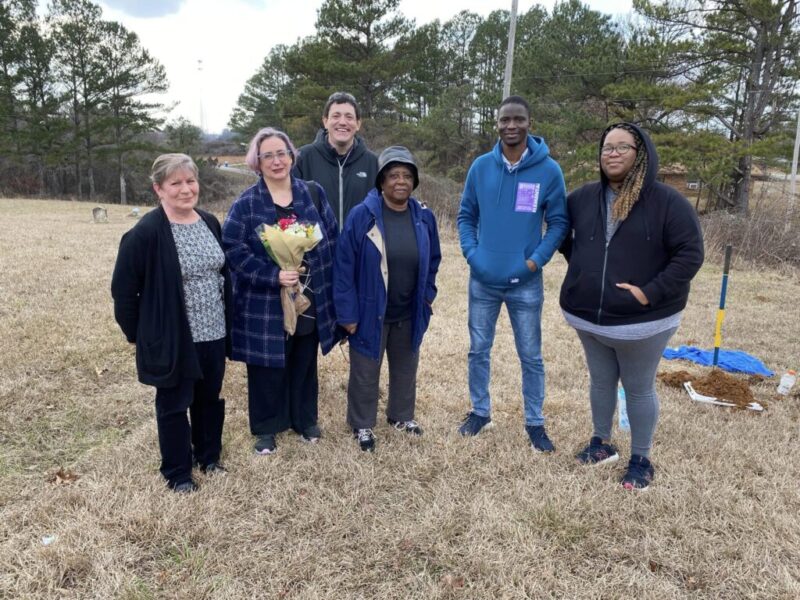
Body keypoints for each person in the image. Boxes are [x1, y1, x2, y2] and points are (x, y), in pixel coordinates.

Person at [560, 122, 704, 490]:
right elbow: (563, 239)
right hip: (589, 318)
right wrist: (583, 274)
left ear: (640, 155)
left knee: (638, 389)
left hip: (643, 322)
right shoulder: (582, 198)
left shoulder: (668, 202)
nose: (613, 153)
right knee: (600, 382)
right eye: (607, 147)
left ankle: (640, 458)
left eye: (623, 147)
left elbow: (690, 255)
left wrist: (649, 292)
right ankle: (601, 443)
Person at [111, 153, 231, 493]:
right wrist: (139, 334)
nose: (185, 189)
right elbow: (123, 291)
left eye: (190, 181)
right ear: (158, 189)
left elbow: (222, 274)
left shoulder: (209, 222)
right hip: (173, 336)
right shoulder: (146, 232)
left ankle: (208, 457)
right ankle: (178, 473)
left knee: (209, 398)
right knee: (174, 404)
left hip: (214, 331)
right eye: (175, 183)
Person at [457, 95, 569, 451]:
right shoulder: (480, 168)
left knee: (531, 355)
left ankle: (535, 423)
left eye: (518, 119)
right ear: (497, 123)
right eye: (504, 119)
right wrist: (473, 255)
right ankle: (480, 411)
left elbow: (558, 223)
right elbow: (466, 216)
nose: (511, 125)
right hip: (483, 280)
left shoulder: (548, 170)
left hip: (526, 282)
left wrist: (535, 261)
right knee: (478, 350)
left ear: (529, 123)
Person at [222, 127, 339, 455]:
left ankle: (305, 419)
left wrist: (308, 267)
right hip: (264, 301)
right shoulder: (246, 203)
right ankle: (266, 427)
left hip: (309, 295)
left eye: (281, 153)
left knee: (304, 359)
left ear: (292, 156)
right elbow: (233, 248)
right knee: (266, 366)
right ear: (256, 163)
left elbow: (330, 236)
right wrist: (272, 275)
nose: (276, 161)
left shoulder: (312, 194)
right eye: (267, 155)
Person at [334, 146, 441, 452]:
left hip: (409, 309)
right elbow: (343, 268)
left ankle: (401, 415)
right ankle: (362, 423)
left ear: (414, 181)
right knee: (366, 370)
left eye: (407, 175)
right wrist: (348, 314)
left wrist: (428, 296)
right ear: (381, 181)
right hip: (369, 311)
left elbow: (433, 259)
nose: (400, 181)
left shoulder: (424, 217)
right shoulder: (362, 216)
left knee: (407, 366)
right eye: (393, 175)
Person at [292, 91, 378, 229]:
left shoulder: (373, 163)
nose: (342, 122)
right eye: (336, 116)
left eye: (349, 117)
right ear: (325, 121)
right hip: (319, 248)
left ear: (358, 124)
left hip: (359, 248)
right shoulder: (302, 158)